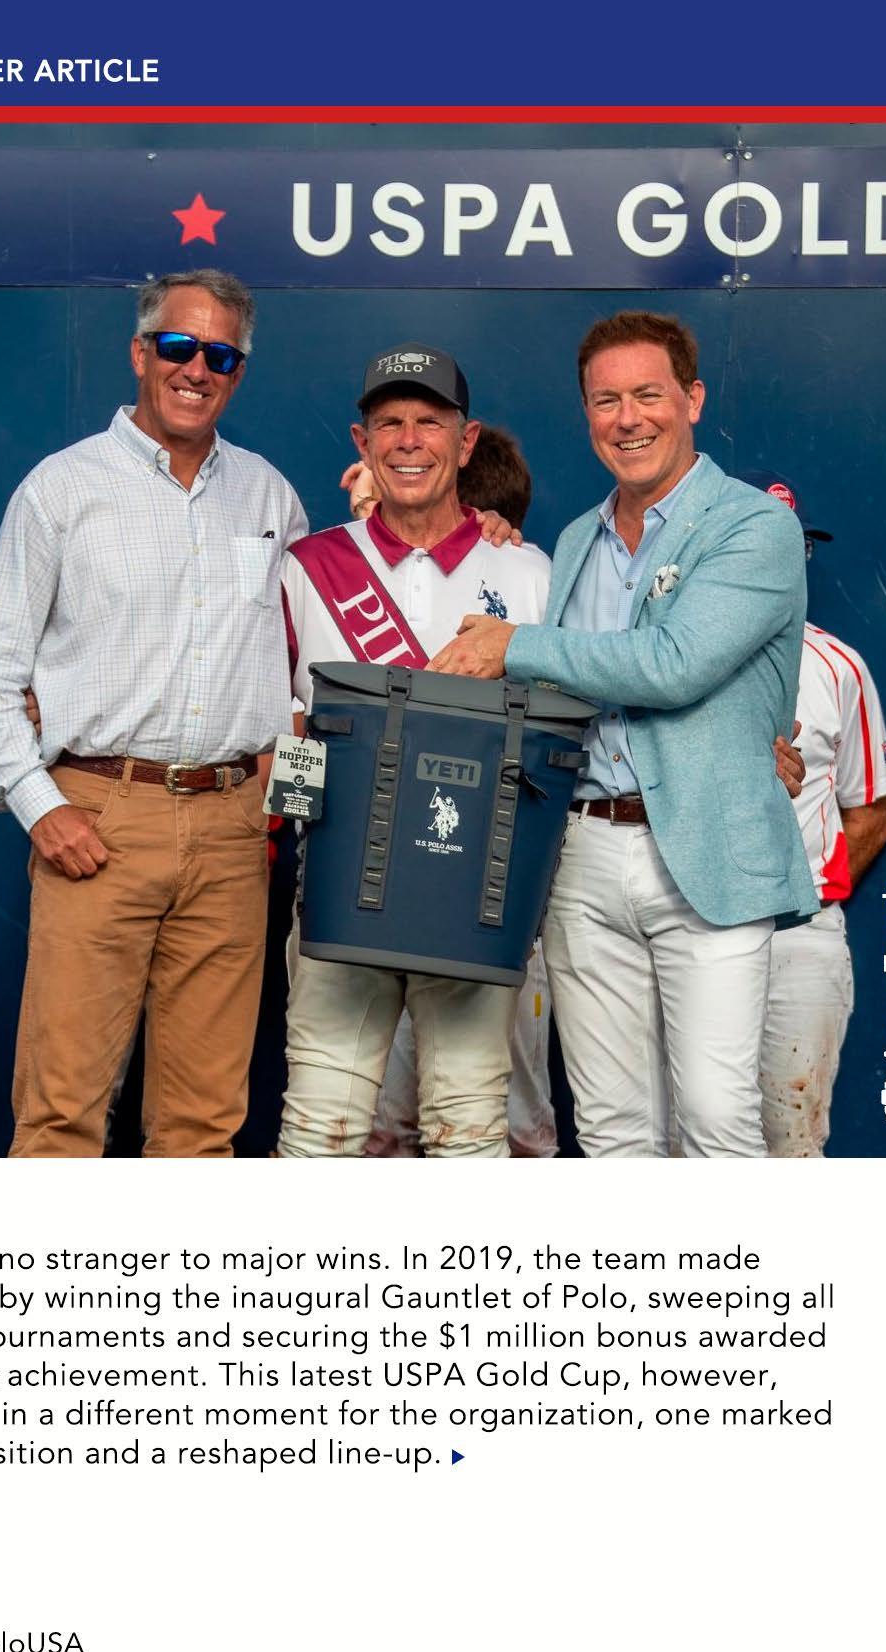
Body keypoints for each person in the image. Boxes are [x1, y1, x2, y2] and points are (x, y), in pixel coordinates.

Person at [430, 311, 819, 1158]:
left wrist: (513, 646)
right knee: (610, 1130)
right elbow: (561, 694)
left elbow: (674, 664)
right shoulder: (576, 539)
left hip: (710, 853)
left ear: (693, 400)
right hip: (583, 854)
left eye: (649, 395)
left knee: (716, 1118)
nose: (628, 418)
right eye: (606, 401)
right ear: (587, 414)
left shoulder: (755, 526)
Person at [0, 269, 307, 1159]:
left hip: (232, 833)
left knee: (204, 1123)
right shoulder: (62, 489)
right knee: (61, 1112)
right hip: (99, 820)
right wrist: (42, 807)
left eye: (221, 355)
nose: (198, 369)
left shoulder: (270, 496)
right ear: (141, 352)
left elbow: (306, 655)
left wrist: (280, 763)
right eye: (179, 346)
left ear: (239, 371)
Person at [277, 346, 555, 1158]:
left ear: (465, 443)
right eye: (389, 423)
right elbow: (283, 725)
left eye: (429, 422)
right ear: (362, 443)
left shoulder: (529, 572)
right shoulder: (309, 568)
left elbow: (557, 740)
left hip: (477, 902)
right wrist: (298, 839)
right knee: (320, 1131)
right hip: (341, 897)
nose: (408, 440)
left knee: (469, 1130)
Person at [340, 425, 557, 1157]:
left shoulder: (524, 574)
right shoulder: (334, 572)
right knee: (383, 1120)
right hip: (376, 894)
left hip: (487, 900)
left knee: (497, 1119)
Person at [743, 473, 886, 1156]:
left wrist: (808, 895)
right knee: (687, 1142)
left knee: (794, 1141)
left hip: (799, 938)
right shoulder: (673, 657)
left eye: (793, 546)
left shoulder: (839, 665)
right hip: (687, 933)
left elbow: (869, 815)